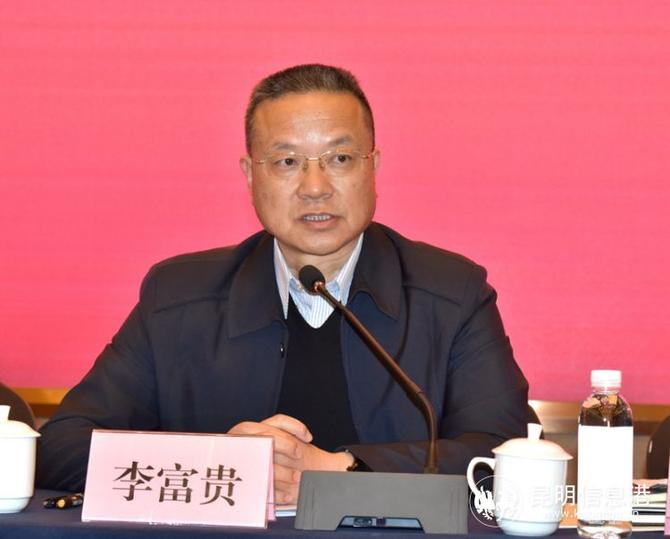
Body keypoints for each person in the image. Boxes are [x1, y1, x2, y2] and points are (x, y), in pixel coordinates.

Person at [36, 64, 529, 503]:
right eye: (287, 162)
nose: (315, 187)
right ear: (251, 175)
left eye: (340, 158)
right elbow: (62, 449)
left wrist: (340, 470)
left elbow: (507, 455)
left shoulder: (452, 294)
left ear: (373, 168)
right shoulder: (178, 297)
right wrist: (220, 464)